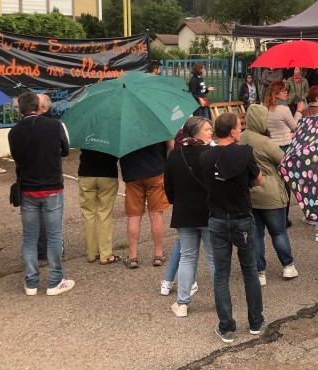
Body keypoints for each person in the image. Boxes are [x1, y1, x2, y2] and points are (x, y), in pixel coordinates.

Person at [201, 112, 265, 343]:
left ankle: (226, 327)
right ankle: (255, 322)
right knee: (250, 271)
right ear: (232, 131)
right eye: (239, 127)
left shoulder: (205, 156)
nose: (241, 130)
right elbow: (259, 180)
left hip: (217, 218)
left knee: (221, 274)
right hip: (242, 218)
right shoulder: (244, 153)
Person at [8, 92, 73, 296]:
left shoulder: (14, 132)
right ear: (38, 106)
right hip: (52, 187)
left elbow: (16, 156)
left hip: (28, 189)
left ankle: (31, 283)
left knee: (29, 238)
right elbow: (65, 150)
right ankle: (55, 282)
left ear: (20, 110)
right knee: (54, 236)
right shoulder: (54, 125)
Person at [163, 117, 215, 316]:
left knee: (187, 257)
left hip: (184, 212)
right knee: (213, 258)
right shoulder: (211, 154)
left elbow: (168, 185)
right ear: (196, 132)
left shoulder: (175, 154)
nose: (211, 132)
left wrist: (177, 201)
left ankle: (182, 303)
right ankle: (220, 300)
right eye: (207, 129)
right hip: (209, 212)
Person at [241, 104, 298, 286]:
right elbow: (284, 161)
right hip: (271, 193)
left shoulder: (241, 138)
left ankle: (260, 273)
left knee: (256, 235)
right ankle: (288, 265)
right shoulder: (266, 143)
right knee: (278, 232)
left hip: (249, 193)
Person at [120, 138, 171, 269]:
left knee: (134, 216)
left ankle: (133, 257)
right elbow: (171, 146)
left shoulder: (124, 128)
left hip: (132, 172)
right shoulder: (158, 125)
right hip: (156, 170)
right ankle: (158, 255)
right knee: (156, 214)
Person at [77, 149, 120, 265]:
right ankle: (105, 254)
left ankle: (91, 253)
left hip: (86, 173)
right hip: (108, 173)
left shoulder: (85, 136)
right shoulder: (112, 136)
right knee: (105, 214)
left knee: (88, 214)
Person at [264, 81, 304, 149]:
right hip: (284, 145)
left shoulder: (265, 107)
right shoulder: (284, 109)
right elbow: (295, 128)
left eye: (286, 90)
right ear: (276, 94)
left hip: (271, 145)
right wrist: (298, 111)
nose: (286, 92)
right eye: (283, 91)